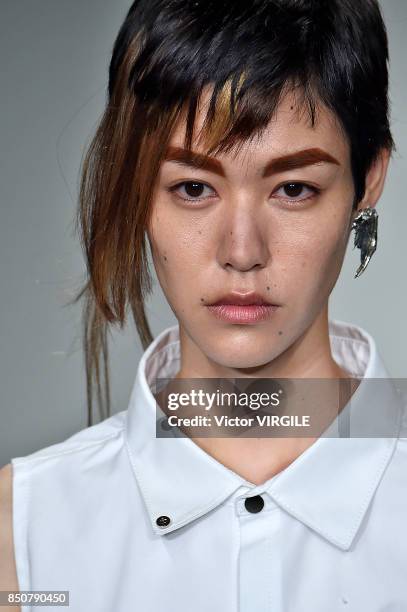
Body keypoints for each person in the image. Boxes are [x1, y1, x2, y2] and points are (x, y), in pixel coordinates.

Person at [1, 0, 406, 610]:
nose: (241, 252)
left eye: (293, 188)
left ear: (367, 178)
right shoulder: (24, 536)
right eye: (193, 188)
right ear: (138, 186)